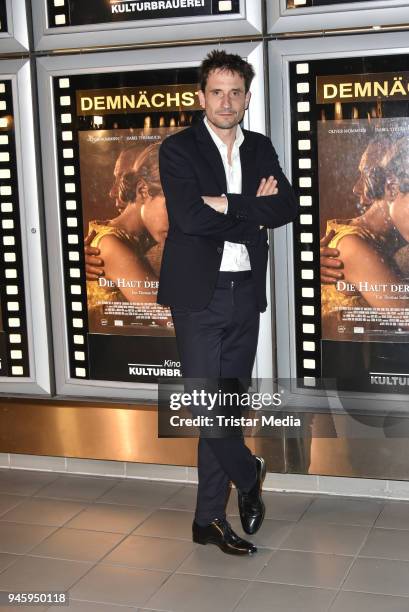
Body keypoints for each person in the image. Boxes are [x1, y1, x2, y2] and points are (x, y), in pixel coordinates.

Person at [158, 50, 298, 555]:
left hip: (245, 294)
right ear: (201, 97)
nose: (226, 101)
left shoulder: (259, 148)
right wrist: (251, 214)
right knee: (206, 405)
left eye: (235, 92)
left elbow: (285, 206)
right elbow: (190, 220)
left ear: (247, 98)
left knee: (228, 407)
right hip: (199, 295)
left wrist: (231, 203)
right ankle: (249, 470)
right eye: (216, 91)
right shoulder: (178, 150)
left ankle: (207, 520)